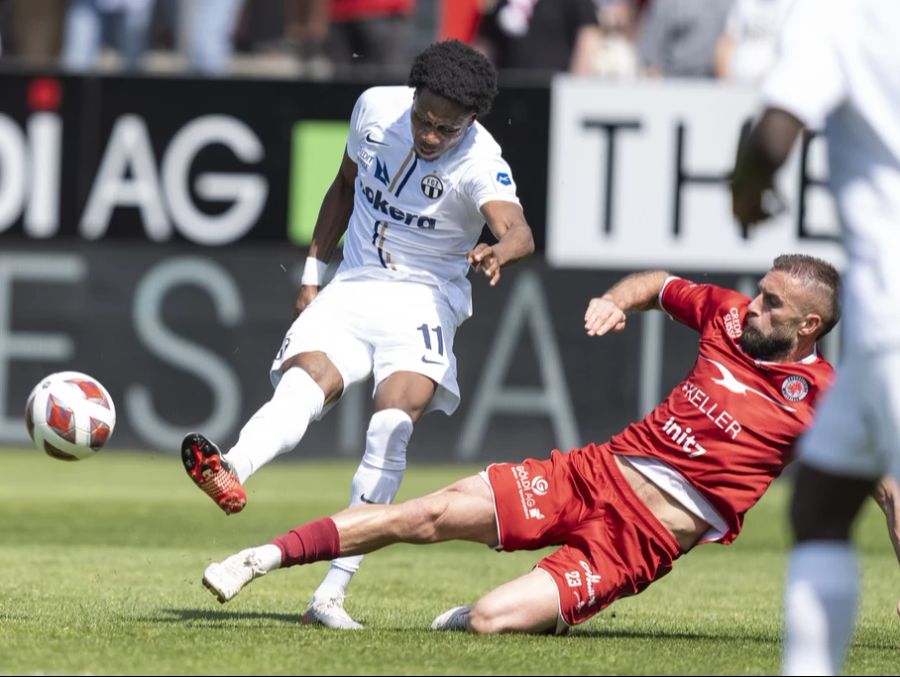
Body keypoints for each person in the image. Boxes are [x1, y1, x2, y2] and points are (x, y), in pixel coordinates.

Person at [198, 255, 900, 635]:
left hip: (636, 544)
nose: (754, 304)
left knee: (494, 621)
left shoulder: (828, 397)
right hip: (594, 473)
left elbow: (890, 489)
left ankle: (507, 613)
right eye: (760, 292)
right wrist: (618, 301)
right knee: (425, 516)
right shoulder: (725, 314)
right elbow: (658, 282)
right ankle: (259, 557)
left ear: (809, 326)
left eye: (774, 303)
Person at [181, 39, 535, 630]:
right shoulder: (374, 107)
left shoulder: (480, 159)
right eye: (423, 118)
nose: (429, 135)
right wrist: (314, 272)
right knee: (302, 387)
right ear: (413, 96)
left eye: (446, 129)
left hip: (425, 298)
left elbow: (519, 230)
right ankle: (233, 468)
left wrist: (501, 252)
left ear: (469, 122)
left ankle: (330, 595)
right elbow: (344, 185)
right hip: (355, 281)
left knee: (390, 428)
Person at [731, 1, 900, 672]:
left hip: (893, 314)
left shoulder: (840, 13)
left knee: (824, 512)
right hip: (875, 340)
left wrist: (746, 190)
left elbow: (775, 132)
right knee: (822, 502)